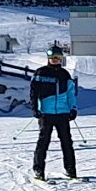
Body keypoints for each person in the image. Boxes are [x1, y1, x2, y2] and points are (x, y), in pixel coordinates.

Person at [29, 50, 80, 179]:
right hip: (46, 113)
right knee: (43, 142)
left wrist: (73, 108)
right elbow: (34, 92)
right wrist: (35, 108)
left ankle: (70, 169)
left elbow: (70, 93)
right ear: (48, 58)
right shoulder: (41, 73)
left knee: (67, 142)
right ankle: (38, 169)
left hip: (63, 113)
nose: (55, 59)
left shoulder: (65, 74)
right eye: (52, 57)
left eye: (58, 57)